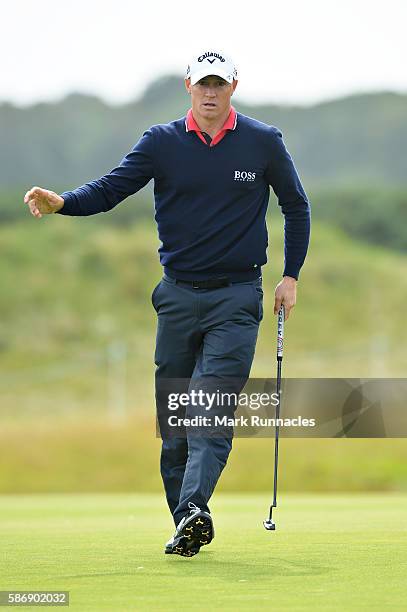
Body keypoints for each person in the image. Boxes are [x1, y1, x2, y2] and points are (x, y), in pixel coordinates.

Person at [24, 50, 310, 558]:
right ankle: (187, 522)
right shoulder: (161, 143)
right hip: (177, 296)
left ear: (234, 87)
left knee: (209, 408)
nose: (210, 93)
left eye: (219, 85)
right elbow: (112, 189)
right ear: (188, 87)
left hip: (238, 297)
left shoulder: (263, 142)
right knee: (176, 420)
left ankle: (196, 506)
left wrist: (290, 275)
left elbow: (296, 206)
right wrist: (64, 202)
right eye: (203, 85)